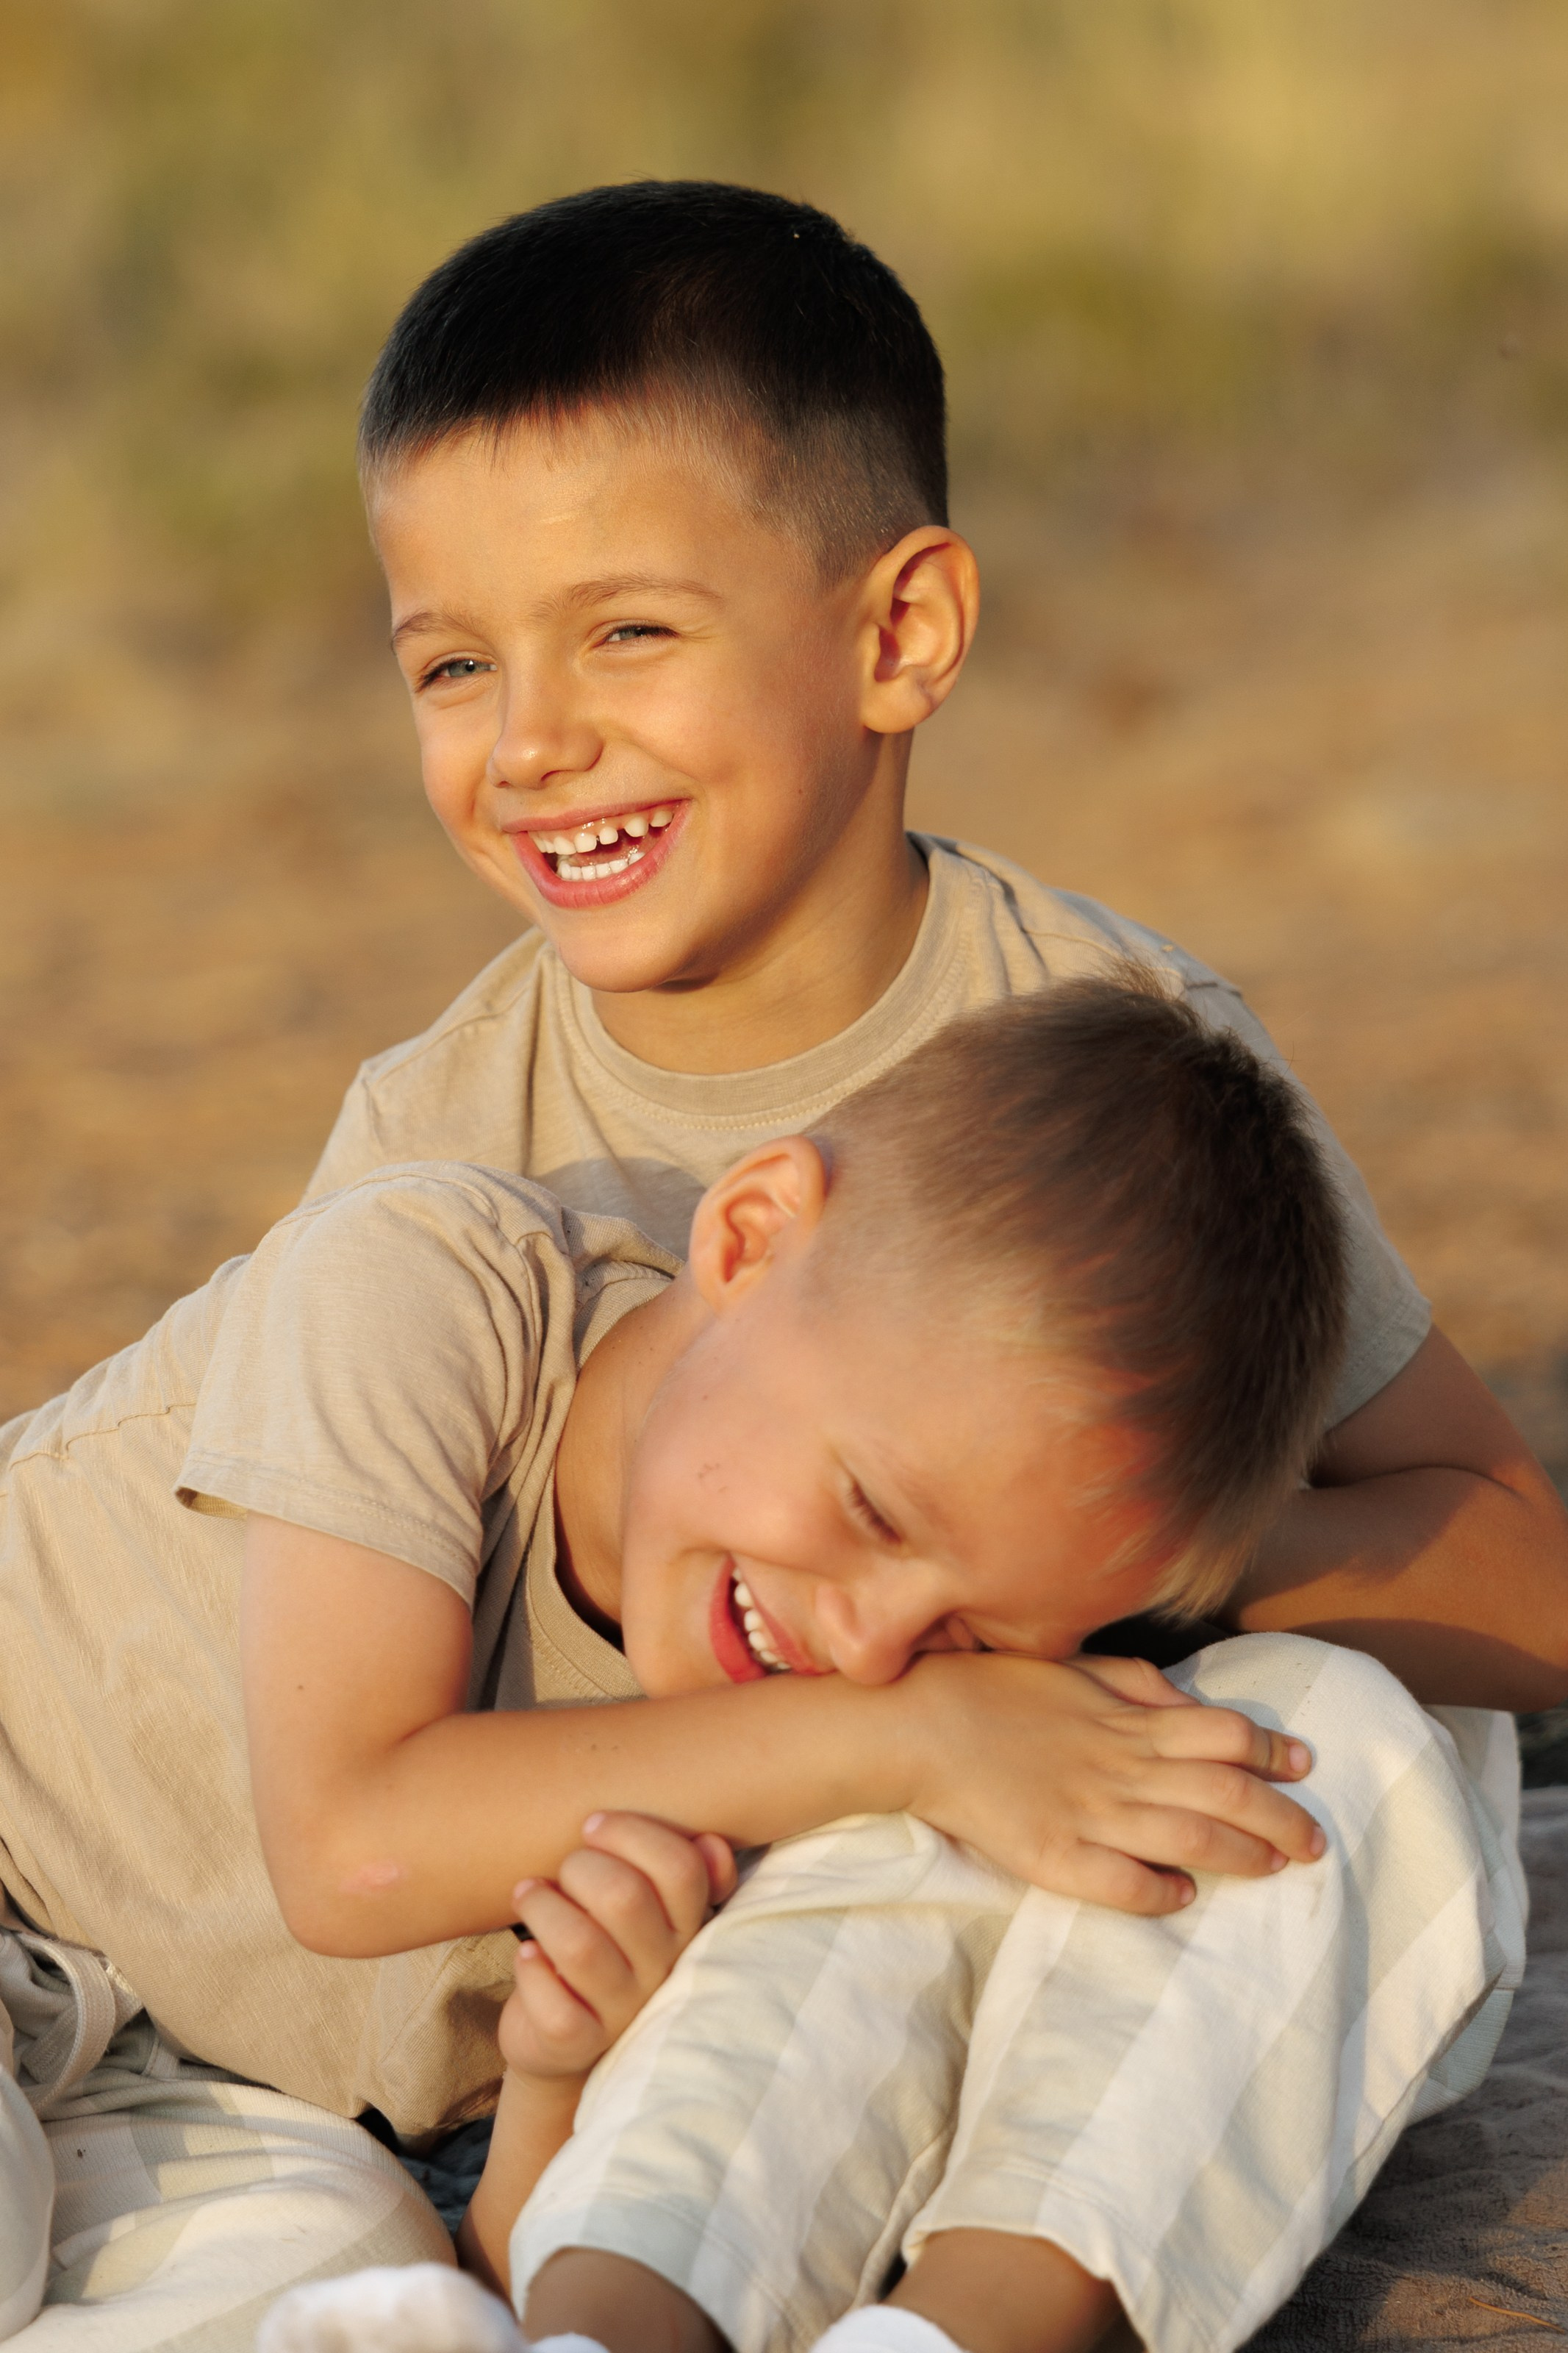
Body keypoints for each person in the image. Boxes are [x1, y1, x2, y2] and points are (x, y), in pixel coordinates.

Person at [280, 179, 1564, 2346]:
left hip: (958, 1852)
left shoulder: (1103, 1060)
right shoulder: (430, 1155)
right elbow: (363, 1822)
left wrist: (1084, 1543)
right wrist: (929, 1717)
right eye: (454, 663)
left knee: (1342, 1734)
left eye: (626, 634)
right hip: (664, 1979)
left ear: (897, 636)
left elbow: (1515, 1584)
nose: (527, 745)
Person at [9, 977, 1367, 2349]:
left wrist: (549, 2087)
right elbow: (353, 1839)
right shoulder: (427, 1286)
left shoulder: (789, 1741)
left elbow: (512, 2250)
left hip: (161, 2079)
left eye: (973, 1640)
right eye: (874, 1511)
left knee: (352, 2277)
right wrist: (922, 1736)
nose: (875, 1643)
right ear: (749, 1235)